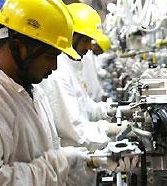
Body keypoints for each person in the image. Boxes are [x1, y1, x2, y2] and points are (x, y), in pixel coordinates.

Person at [0, 0, 123, 185]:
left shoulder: (32, 87)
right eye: (50, 56)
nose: (54, 66)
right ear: (19, 46)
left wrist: (83, 161)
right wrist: (59, 163)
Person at [40, 3, 115, 150]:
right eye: (86, 40)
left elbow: (87, 107)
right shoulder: (58, 73)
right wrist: (113, 132)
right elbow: (77, 133)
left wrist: (113, 111)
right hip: (73, 166)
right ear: (71, 36)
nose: (89, 47)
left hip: (84, 161)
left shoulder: (71, 66)